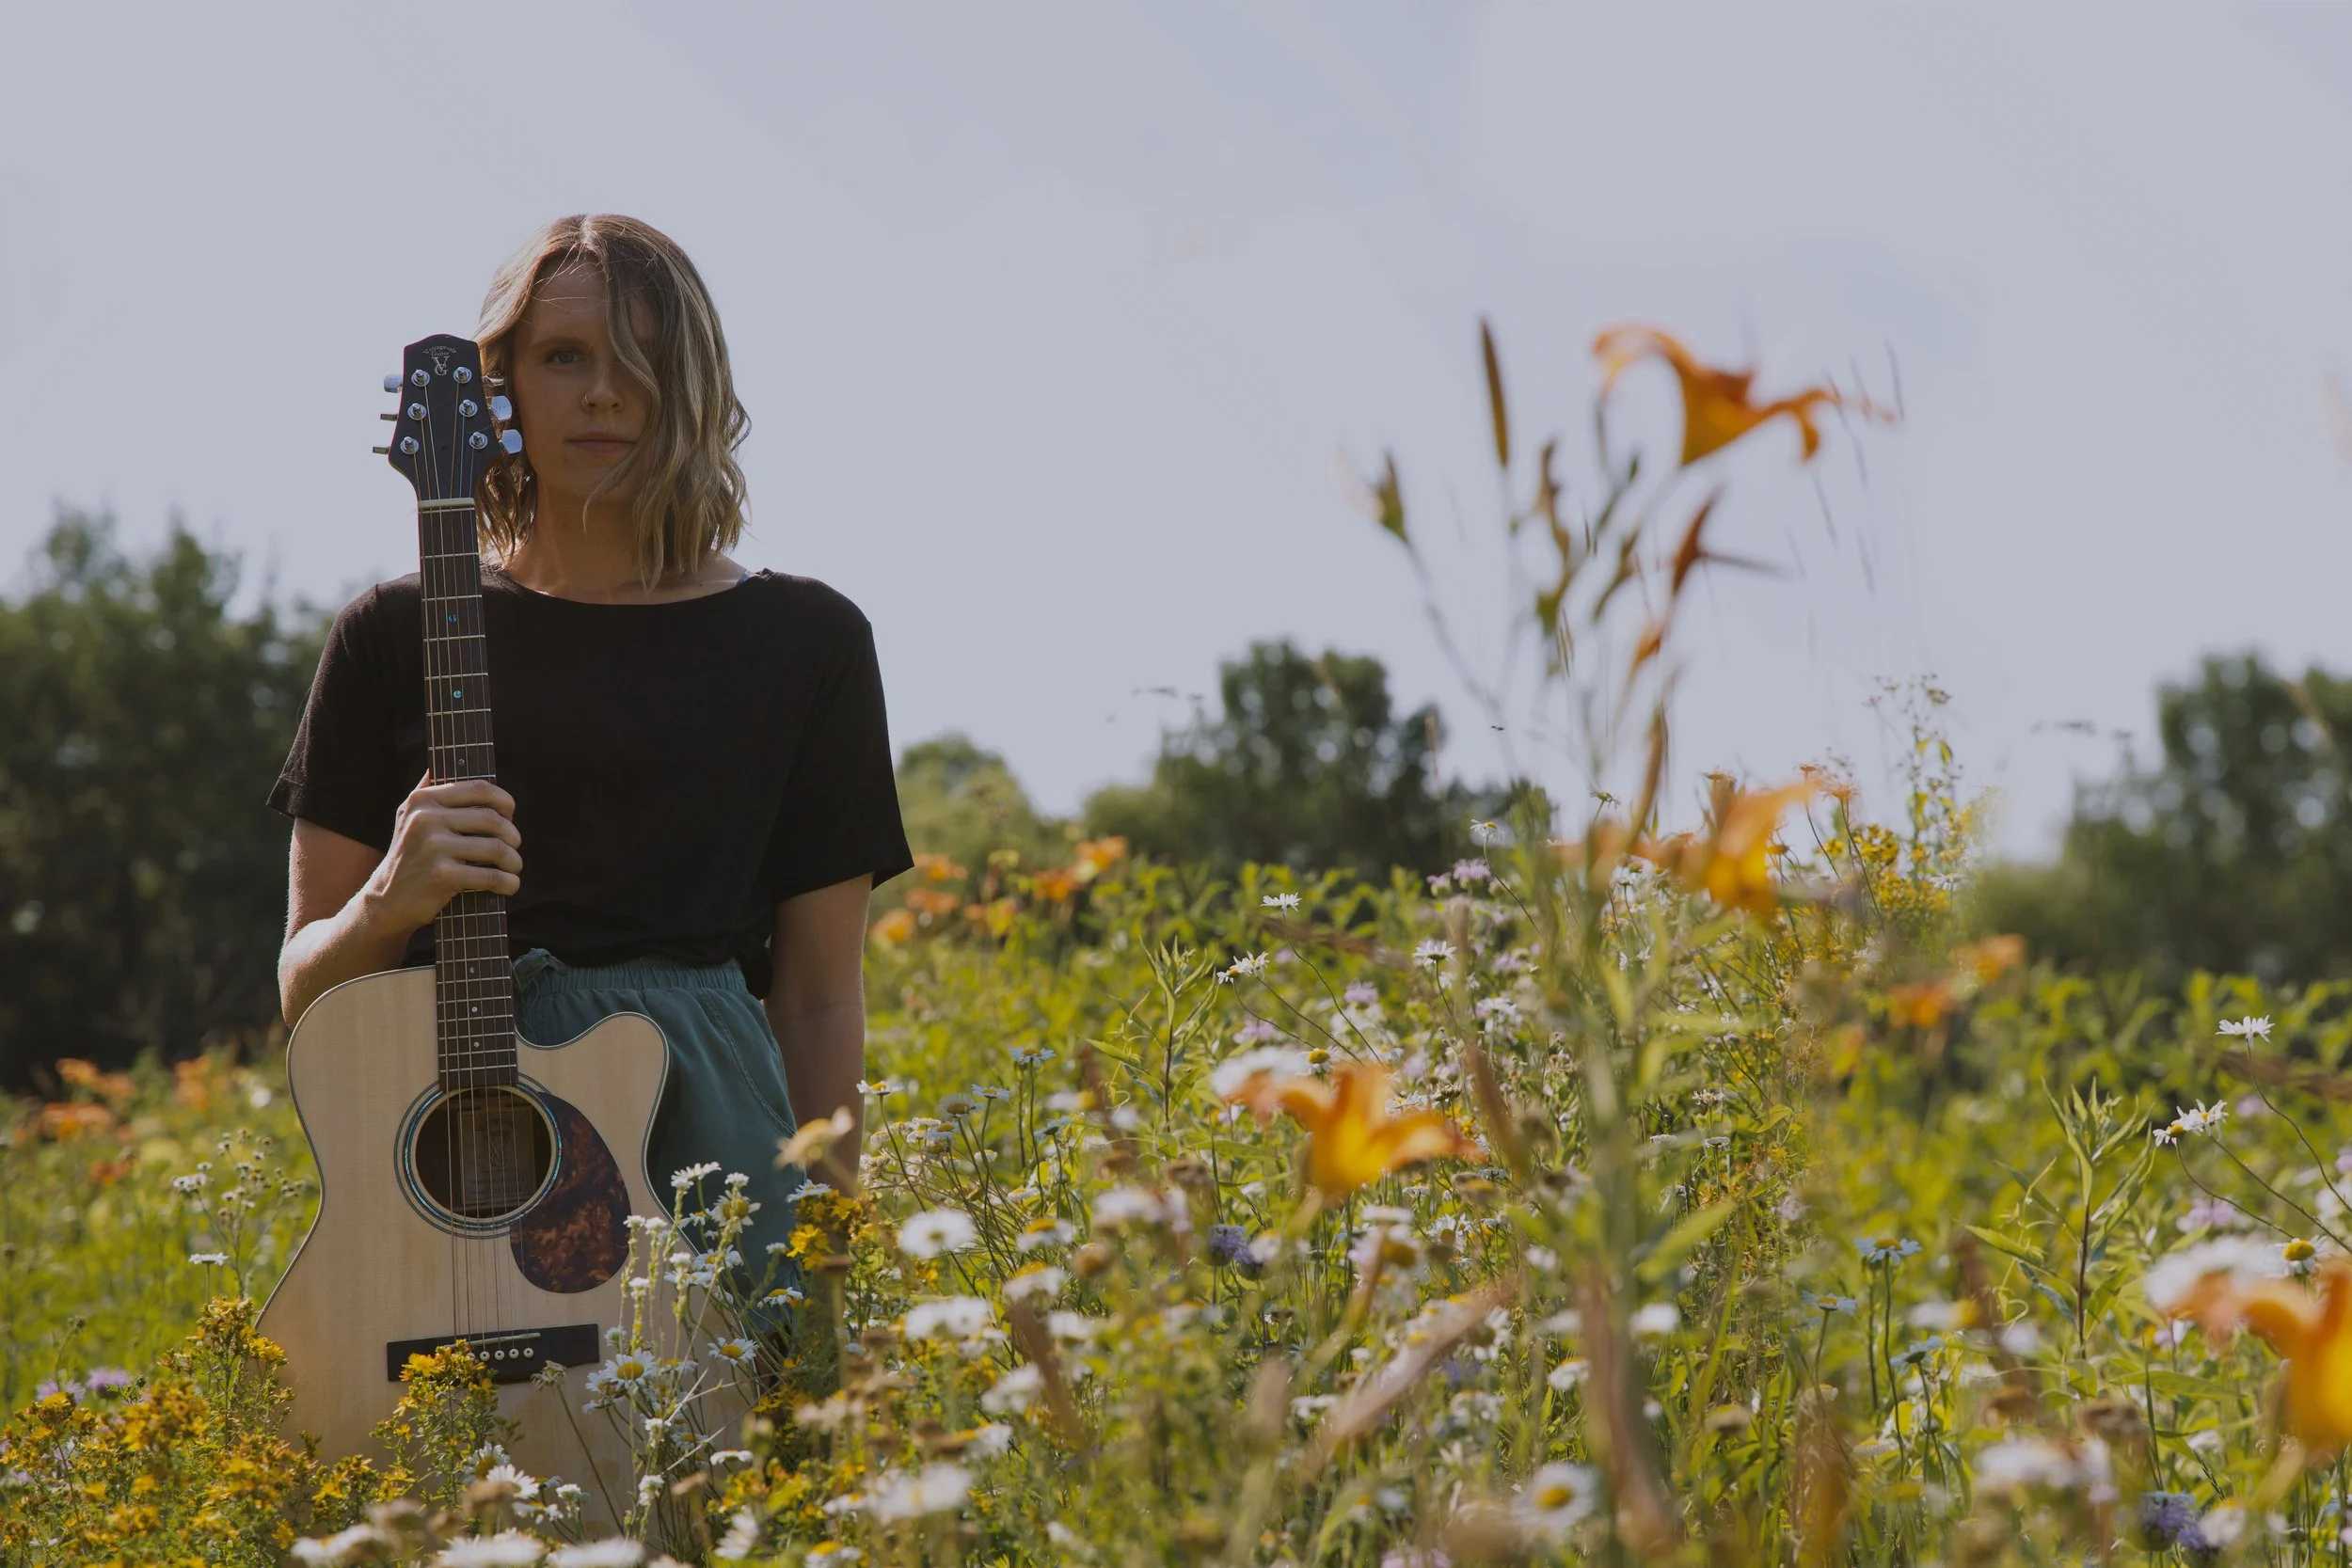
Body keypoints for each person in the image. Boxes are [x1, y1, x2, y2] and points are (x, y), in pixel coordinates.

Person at [268, 214, 911, 1271]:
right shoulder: (390, 632)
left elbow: (818, 992)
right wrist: (390, 898)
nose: (605, 393)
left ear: (695, 381)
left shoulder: (808, 640)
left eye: (643, 357)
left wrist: (838, 1240)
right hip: (451, 1173)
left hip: (716, 1151)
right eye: (565, 357)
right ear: (499, 388)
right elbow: (304, 995)